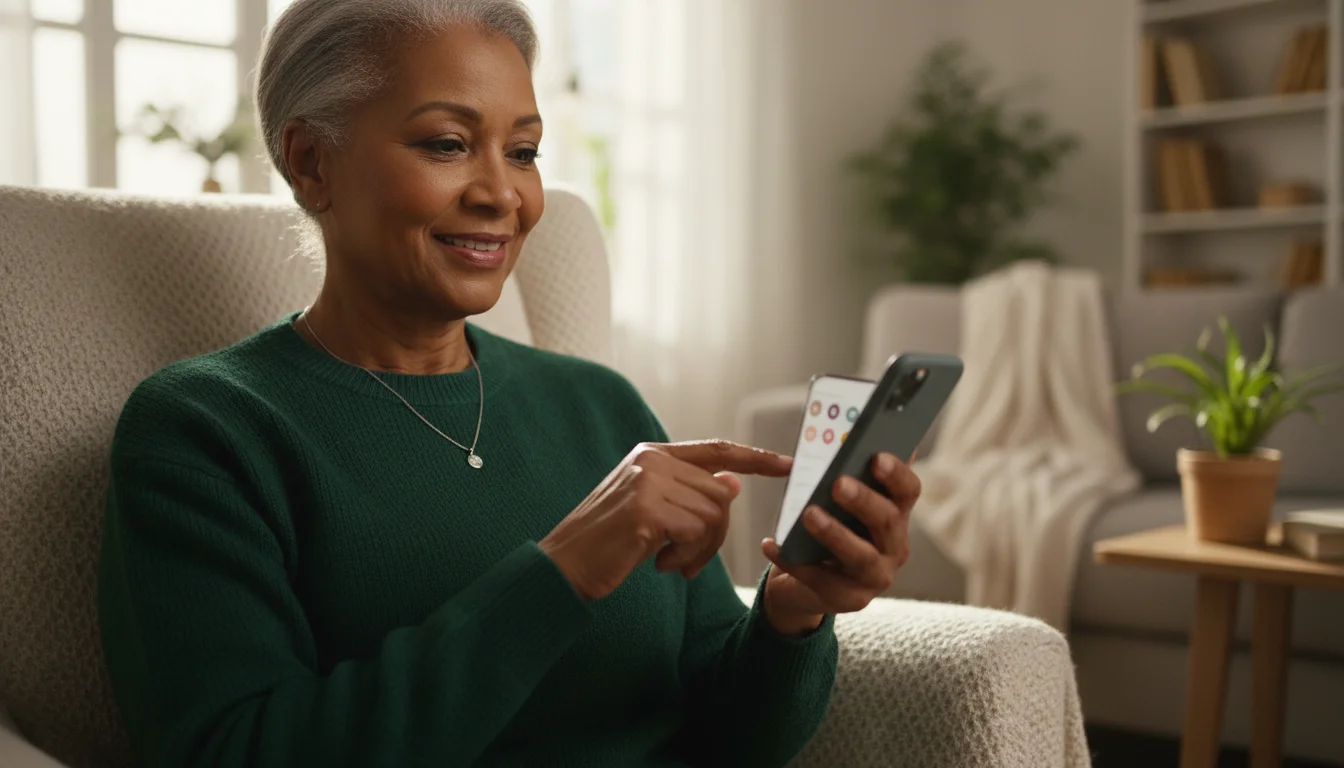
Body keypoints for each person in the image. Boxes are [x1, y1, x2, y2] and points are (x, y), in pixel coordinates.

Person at [96, 1, 922, 766]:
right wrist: (560, 572)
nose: (503, 194)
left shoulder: (601, 406)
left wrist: (792, 612)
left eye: (522, 151)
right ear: (312, 162)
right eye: (447, 145)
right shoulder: (207, 430)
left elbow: (731, 740)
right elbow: (233, 751)